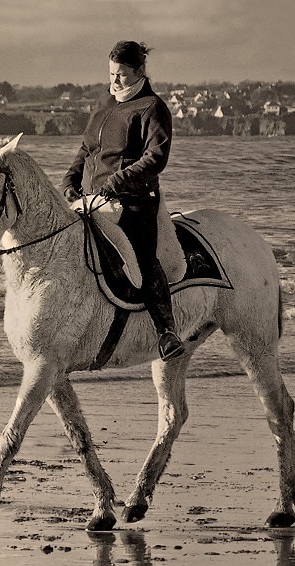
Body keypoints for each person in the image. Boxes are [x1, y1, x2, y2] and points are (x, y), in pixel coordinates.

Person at [62, 40, 185, 361]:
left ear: (140, 71)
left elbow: (156, 158)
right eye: (111, 74)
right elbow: (87, 149)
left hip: (135, 200)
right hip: (91, 197)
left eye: (122, 75)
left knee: (142, 257)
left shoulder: (152, 108)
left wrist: (117, 181)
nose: (115, 82)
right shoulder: (105, 103)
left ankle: (166, 332)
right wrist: (70, 180)